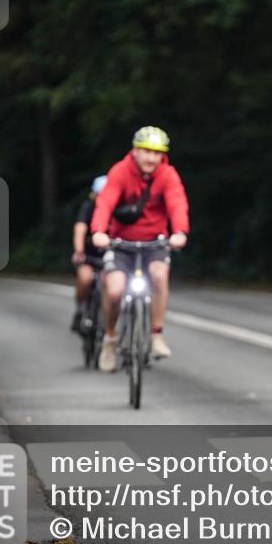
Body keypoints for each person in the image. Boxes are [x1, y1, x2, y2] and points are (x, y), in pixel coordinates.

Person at [90, 126, 189, 372]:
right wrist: (99, 231)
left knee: (159, 274)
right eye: (146, 151)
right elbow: (105, 202)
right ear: (135, 151)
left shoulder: (168, 175)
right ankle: (110, 339)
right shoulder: (120, 171)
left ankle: (156, 335)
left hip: (155, 242)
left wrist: (180, 232)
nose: (151, 158)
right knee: (114, 290)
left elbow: (177, 202)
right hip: (120, 242)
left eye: (157, 153)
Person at [71, 175, 108, 332]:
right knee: (85, 278)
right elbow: (80, 228)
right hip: (90, 254)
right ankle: (80, 310)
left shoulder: (119, 208)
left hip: (113, 256)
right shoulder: (88, 207)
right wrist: (79, 251)